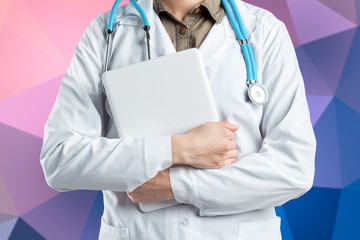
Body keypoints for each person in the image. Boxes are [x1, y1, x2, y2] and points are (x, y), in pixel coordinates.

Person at [39, 0, 317, 239]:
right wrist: (177, 148)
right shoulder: (107, 33)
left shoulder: (265, 31)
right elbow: (61, 159)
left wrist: (175, 186)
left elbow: (293, 169)